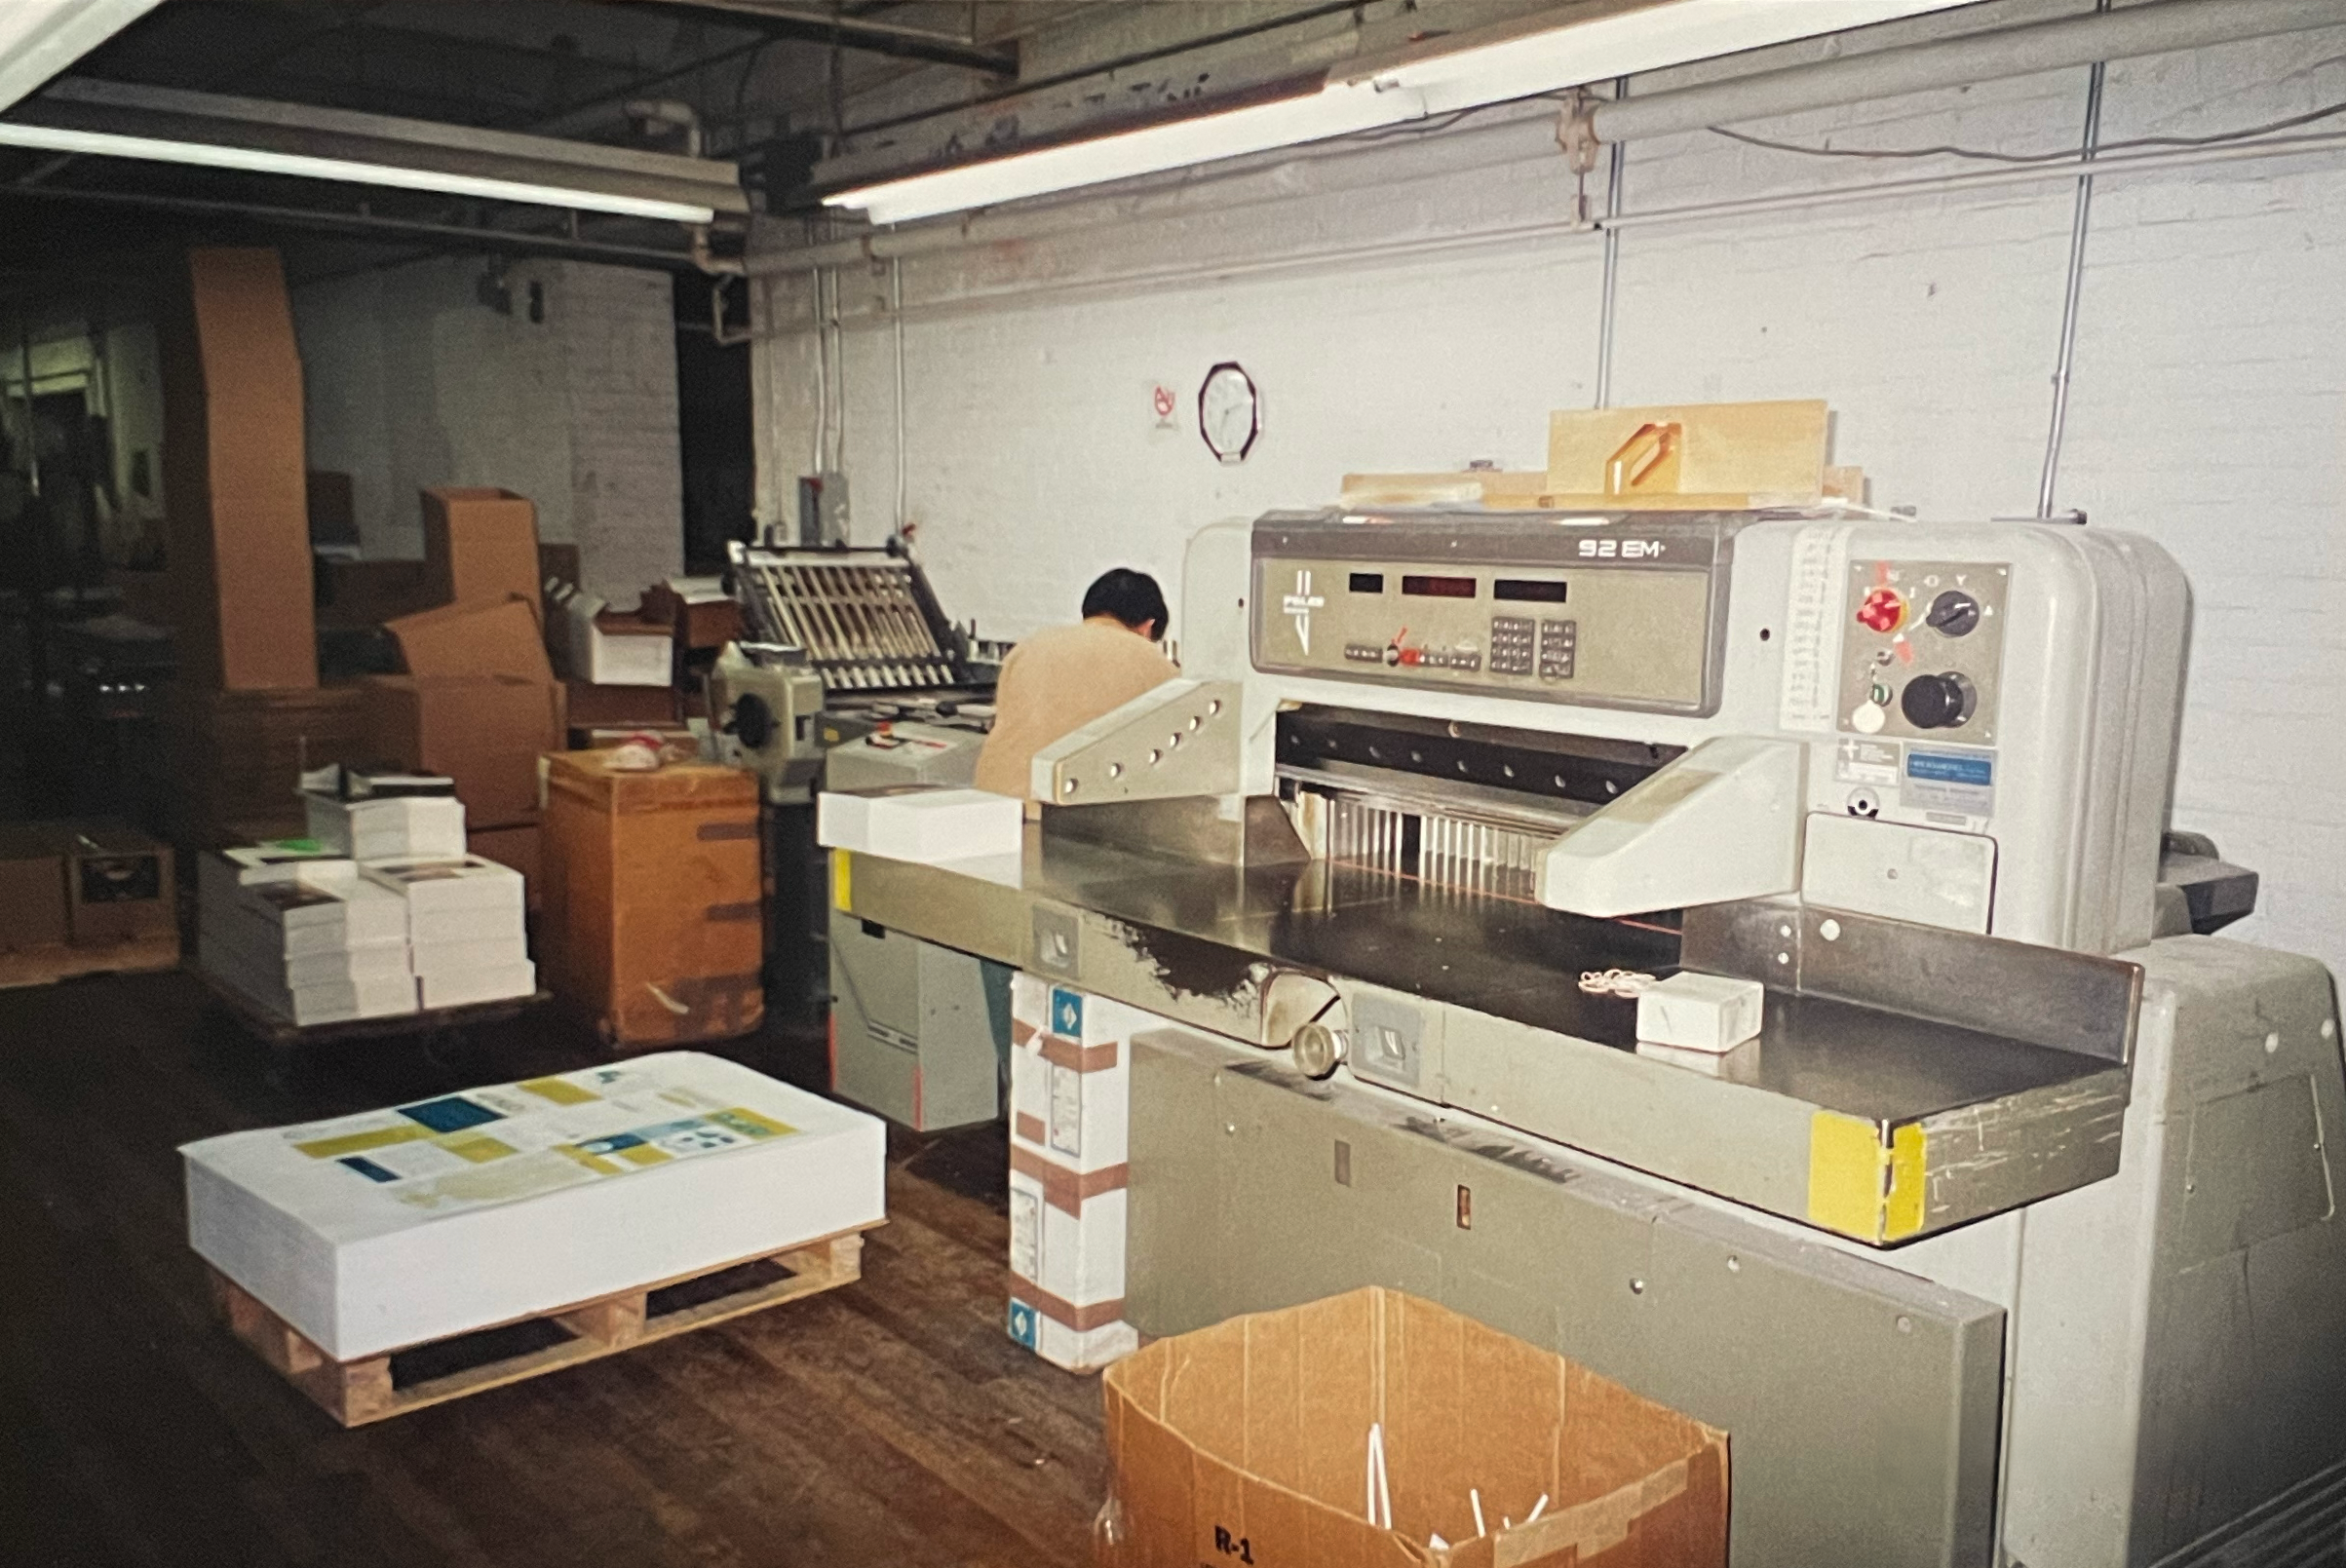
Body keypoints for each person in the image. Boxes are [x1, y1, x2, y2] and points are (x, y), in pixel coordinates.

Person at [972, 567, 1177, 799]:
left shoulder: (1031, 646)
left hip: (995, 801)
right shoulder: (1152, 662)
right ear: (1148, 626)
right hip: (1070, 816)